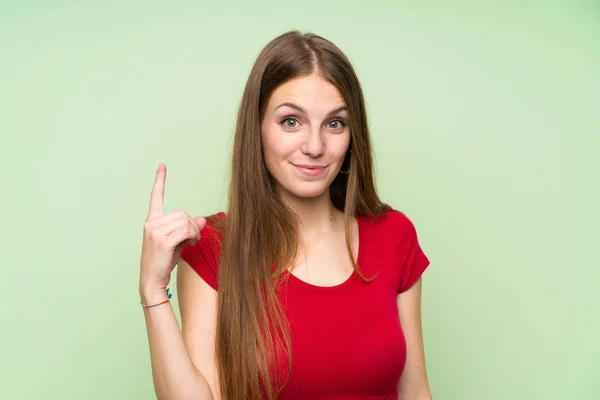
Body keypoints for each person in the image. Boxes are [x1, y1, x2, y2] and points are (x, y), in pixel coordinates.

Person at [139, 30, 433, 400]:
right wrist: (153, 290)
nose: (315, 146)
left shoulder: (394, 236)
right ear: (258, 128)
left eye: (335, 123)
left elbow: (416, 392)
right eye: (291, 121)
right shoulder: (212, 249)